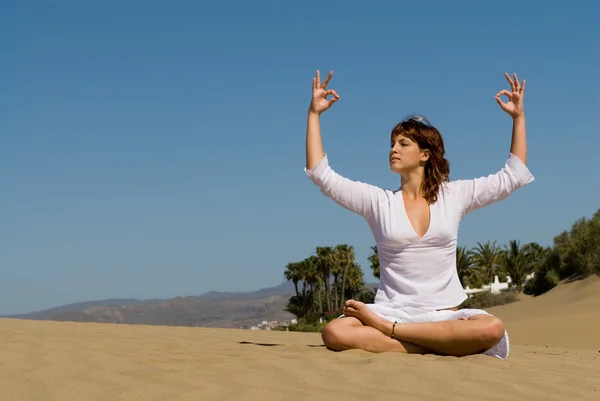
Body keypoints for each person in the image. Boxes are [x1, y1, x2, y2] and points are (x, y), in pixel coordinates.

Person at [304, 70, 534, 359]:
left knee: (492, 328)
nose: (393, 150)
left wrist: (518, 118)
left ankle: (393, 335)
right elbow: (321, 174)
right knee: (334, 332)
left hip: (441, 316)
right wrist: (314, 114)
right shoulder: (378, 202)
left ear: (425, 154)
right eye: (392, 143)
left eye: (403, 144)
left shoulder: (454, 196)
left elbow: (512, 176)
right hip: (390, 310)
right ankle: (431, 344)